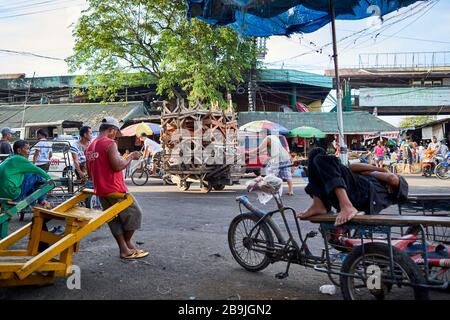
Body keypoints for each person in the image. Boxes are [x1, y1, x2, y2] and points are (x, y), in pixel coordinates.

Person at [86, 117, 148, 260]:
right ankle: (126, 244)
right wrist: (131, 156)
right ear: (111, 130)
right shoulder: (109, 143)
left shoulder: (90, 146)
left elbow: (91, 172)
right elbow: (117, 166)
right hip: (115, 189)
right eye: (115, 132)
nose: (116, 135)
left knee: (114, 219)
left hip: (100, 189)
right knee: (135, 213)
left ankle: (124, 249)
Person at [297, 147, 408, 226]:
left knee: (322, 159)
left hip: (362, 196)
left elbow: (392, 179)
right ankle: (319, 204)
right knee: (316, 152)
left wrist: (373, 173)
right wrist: (380, 169)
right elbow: (352, 167)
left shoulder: (392, 186)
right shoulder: (377, 173)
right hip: (352, 190)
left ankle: (346, 205)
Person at [0, 140, 52, 208]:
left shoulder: (10, 158)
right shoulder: (20, 159)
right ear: (19, 150)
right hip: (12, 194)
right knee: (36, 176)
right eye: (27, 149)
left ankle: (39, 201)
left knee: (31, 177)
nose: (29, 151)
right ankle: (42, 201)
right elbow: (38, 170)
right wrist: (49, 180)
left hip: (2, 194)